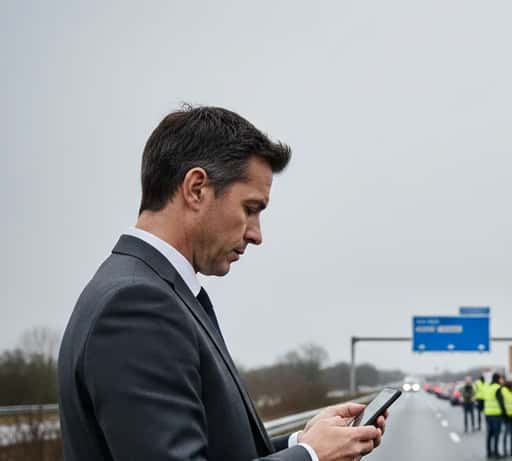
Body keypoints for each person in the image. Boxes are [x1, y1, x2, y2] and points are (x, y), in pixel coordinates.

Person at [57, 106, 387, 461]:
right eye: (250, 208)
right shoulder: (136, 306)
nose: (257, 234)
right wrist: (311, 458)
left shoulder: (150, 290)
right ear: (196, 188)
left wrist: (303, 444)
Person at [483, 373, 505, 459]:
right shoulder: (497, 388)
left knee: (489, 434)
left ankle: (489, 452)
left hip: (488, 413)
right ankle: (496, 452)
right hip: (496, 414)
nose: (501, 380)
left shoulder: (488, 387)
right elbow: (501, 401)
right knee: (496, 434)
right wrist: (504, 413)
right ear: (498, 379)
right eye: (500, 378)